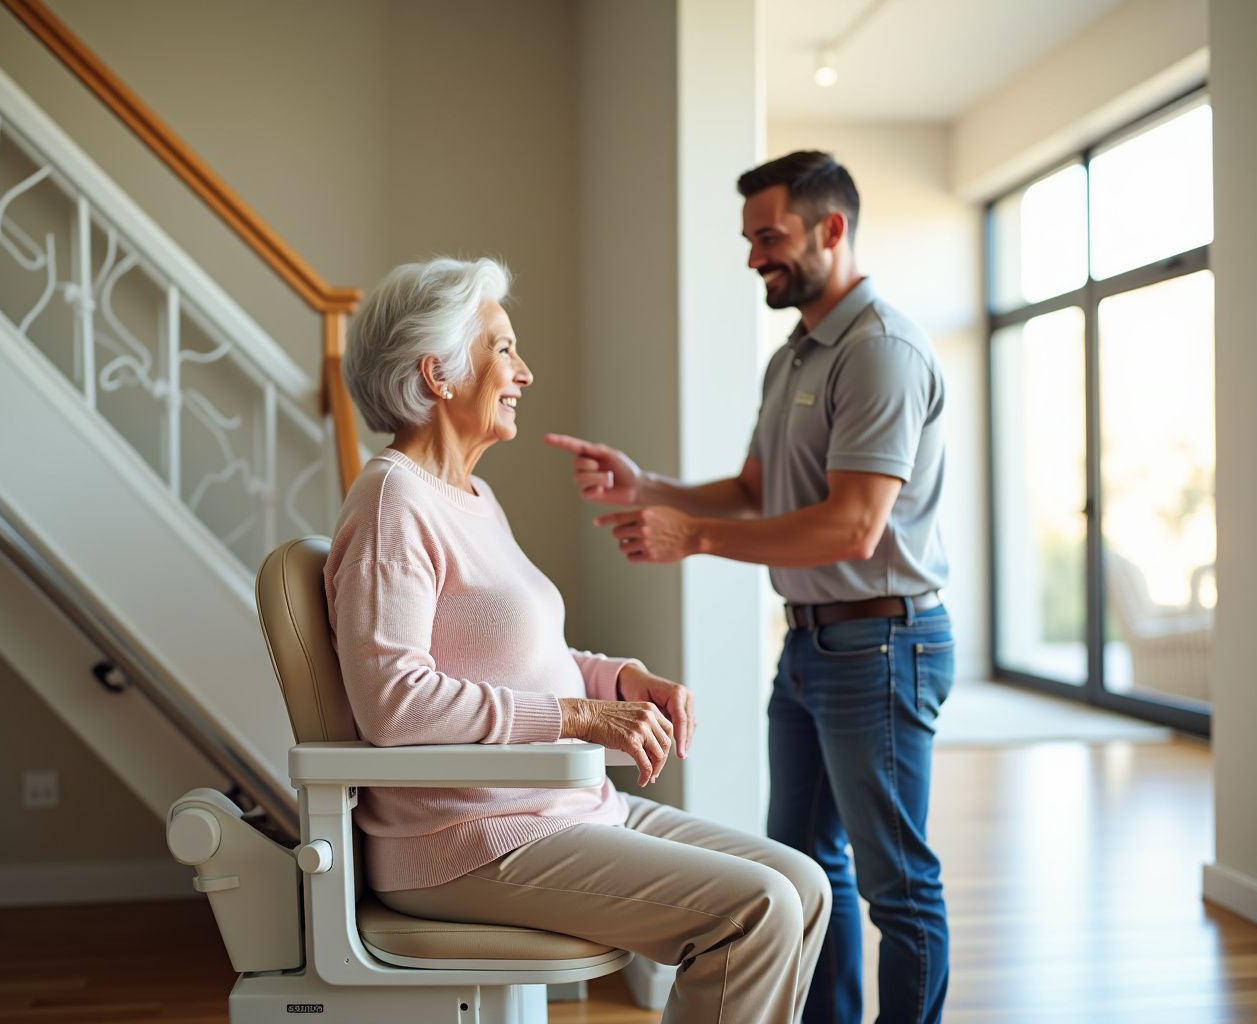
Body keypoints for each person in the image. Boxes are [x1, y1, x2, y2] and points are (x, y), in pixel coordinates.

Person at [325, 256, 831, 1023]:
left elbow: (526, 660)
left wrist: (618, 684)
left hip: (560, 806)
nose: (523, 371)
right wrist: (579, 720)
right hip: (466, 837)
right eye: (502, 349)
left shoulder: (472, 496)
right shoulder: (393, 500)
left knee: (804, 885)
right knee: (756, 908)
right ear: (437, 374)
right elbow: (394, 704)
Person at [546, 150, 953, 1024]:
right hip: (810, 643)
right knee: (808, 866)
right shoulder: (796, 356)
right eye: (749, 239)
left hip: (882, 644)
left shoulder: (879, 351)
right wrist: (644, 486)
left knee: (897, 882)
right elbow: (752, 489)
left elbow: (853, 526)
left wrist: (691, 538)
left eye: (769, 237)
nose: (753, 258)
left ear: (831, 230)